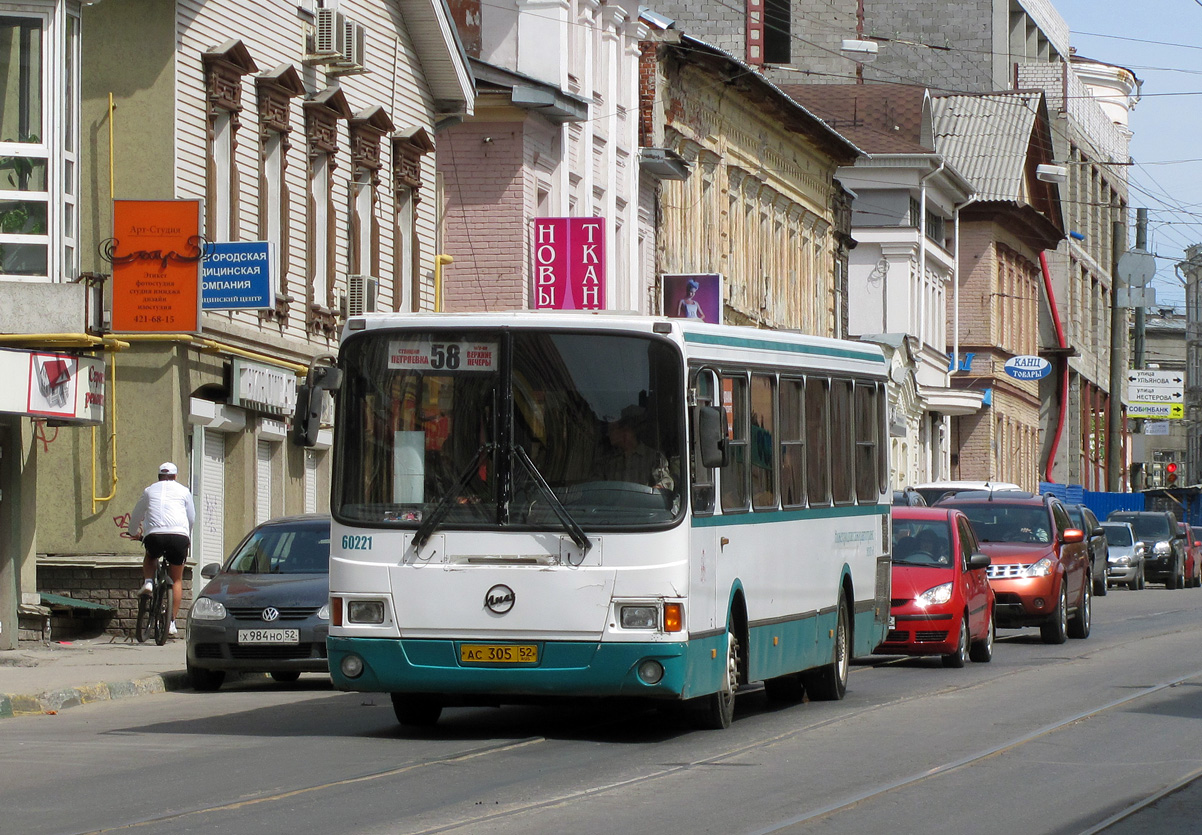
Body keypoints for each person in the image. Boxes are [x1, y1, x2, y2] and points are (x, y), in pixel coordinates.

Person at [128, 462, 195, 637]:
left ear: (159, 476)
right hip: (179, 537)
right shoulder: (184, 491)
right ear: (175, 476)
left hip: (155, 536)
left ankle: (149, 582)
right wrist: (187, 536)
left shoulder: (149, 490)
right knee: (177, 579)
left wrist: (132, 532)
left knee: (150, 557)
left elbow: (137, 513)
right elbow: (191, 517)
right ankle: (171, 622)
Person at [595, 407, 674, 490]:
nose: (608, 434)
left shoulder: (654, 458)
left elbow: (667, 482)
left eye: (611, 429)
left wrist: (657, 489)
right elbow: (595, 485)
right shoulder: (607, 461)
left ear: (626, 430)